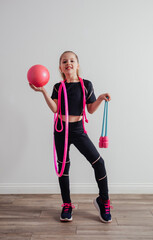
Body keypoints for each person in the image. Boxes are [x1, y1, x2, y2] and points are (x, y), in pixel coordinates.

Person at [29, 51, 112, 223]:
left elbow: (90, 109)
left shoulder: (86, 85)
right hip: (61, 129)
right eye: (64, 61)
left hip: (78, 130)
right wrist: (43, 90)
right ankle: (67, 205)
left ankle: (103, 200)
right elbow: (55, 108)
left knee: (99, 162)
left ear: (78, 65)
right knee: (63, 167)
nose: (68, 63)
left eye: (72, 60)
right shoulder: (58, 87)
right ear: (60, 67)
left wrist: (101, 98)